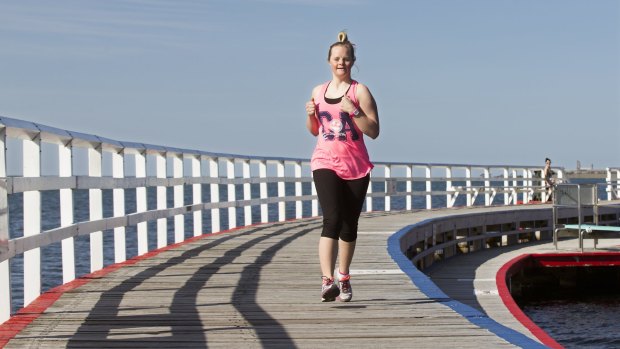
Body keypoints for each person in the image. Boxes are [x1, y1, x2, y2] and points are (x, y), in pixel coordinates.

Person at [304, 31, 380, 302]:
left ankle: (344, 276)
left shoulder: (360, 91)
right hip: (325, 160)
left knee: (349, 225)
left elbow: (374, 131)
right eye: (336, 59)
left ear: (352, 62)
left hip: (356, 164)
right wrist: (310, 116)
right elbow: (315, 131)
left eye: (346, 59)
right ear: (329, 61)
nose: (341, 63)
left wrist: (355, 111)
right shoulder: (318, 91)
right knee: (332, 219)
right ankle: (327, 281)